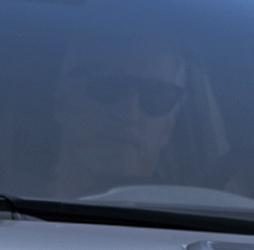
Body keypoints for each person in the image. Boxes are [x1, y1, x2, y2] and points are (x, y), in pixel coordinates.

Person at [45, 33, 191, 196]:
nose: (130, 114)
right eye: (108, 84)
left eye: (156, 95)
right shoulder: (13, 213)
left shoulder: (198, 214)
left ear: (168, 127)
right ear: (61, 101)